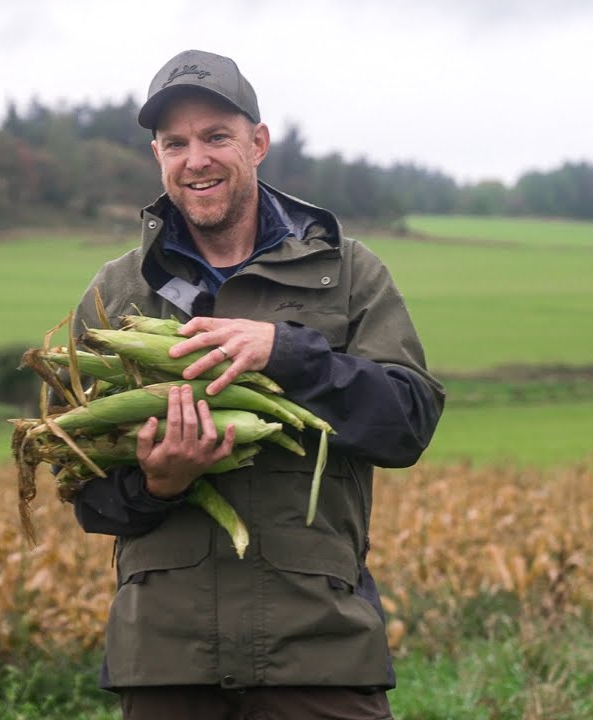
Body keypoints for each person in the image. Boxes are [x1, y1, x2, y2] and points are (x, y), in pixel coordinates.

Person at [68, 49, 445, 720]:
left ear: (258, 143)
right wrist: (160, 483)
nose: (196, 159)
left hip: (318, 648)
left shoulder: (348, 273)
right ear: (158, 155)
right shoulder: (117, 292)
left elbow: (407, 421)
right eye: (175, 143)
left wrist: (288, 353)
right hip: (166, 661)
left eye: (217, 136)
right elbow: (87, 496)